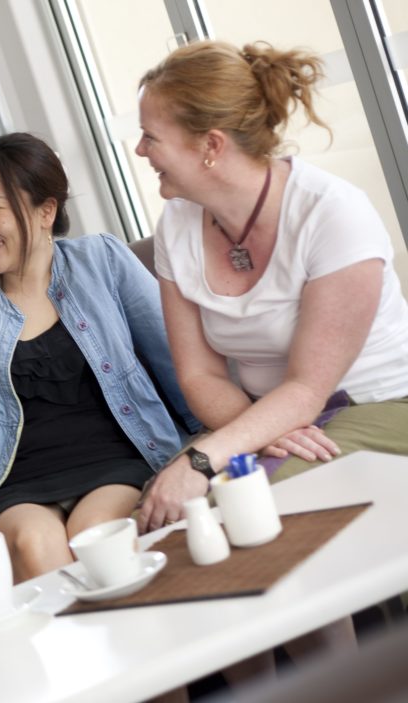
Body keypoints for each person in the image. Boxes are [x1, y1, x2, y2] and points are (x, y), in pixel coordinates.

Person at [134, 39, 408, 533]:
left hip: (379, 402)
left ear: (210, 145)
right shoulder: (177, 224)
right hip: (269, 415)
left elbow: (308, 386)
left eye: (151, 137)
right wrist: (259, 434)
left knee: (257, 507)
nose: (140, 150)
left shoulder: (333, 215)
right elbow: (199, 376)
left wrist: (202, 461)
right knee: (161, 517)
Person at [0, 132, 200, 583]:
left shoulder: (103, 261)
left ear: (45, 211)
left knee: (96, 534)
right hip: (16, 481)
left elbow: (179, 362)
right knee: (35, 543)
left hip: (118, 458)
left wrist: (217, 449)